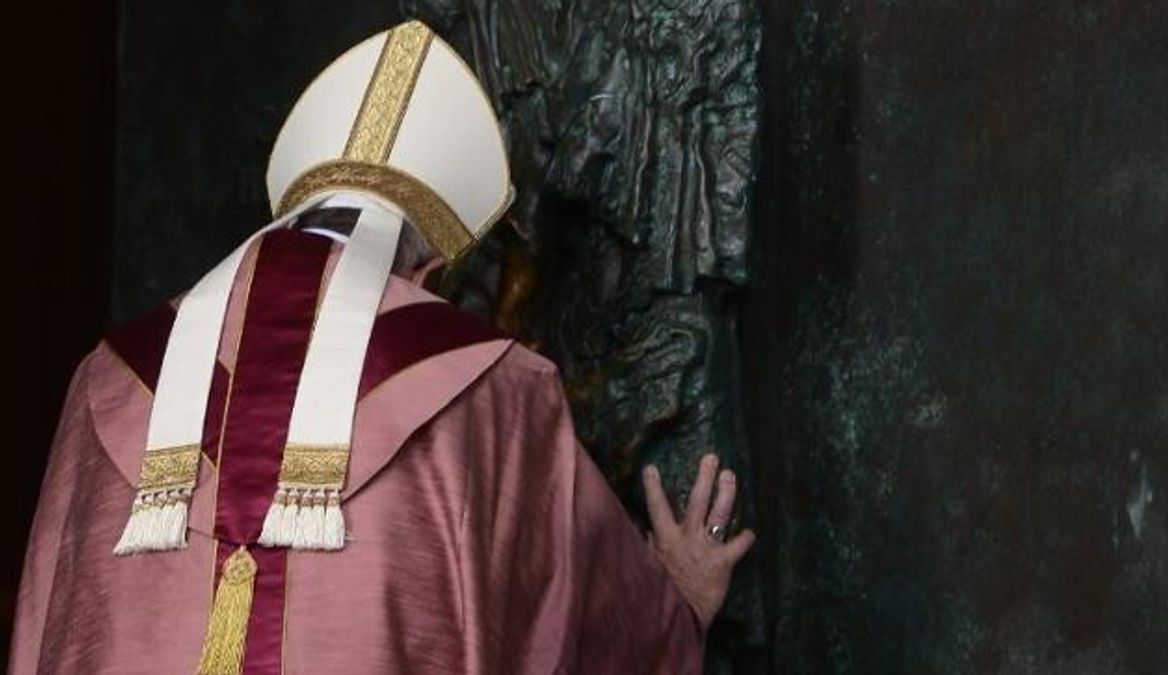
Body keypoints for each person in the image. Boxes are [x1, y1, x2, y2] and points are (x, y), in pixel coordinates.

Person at [9, 20, 753, 674]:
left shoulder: (107, 382)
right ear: (425, 267)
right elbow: (577, 625)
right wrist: (677, 605)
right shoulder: (492, 389)